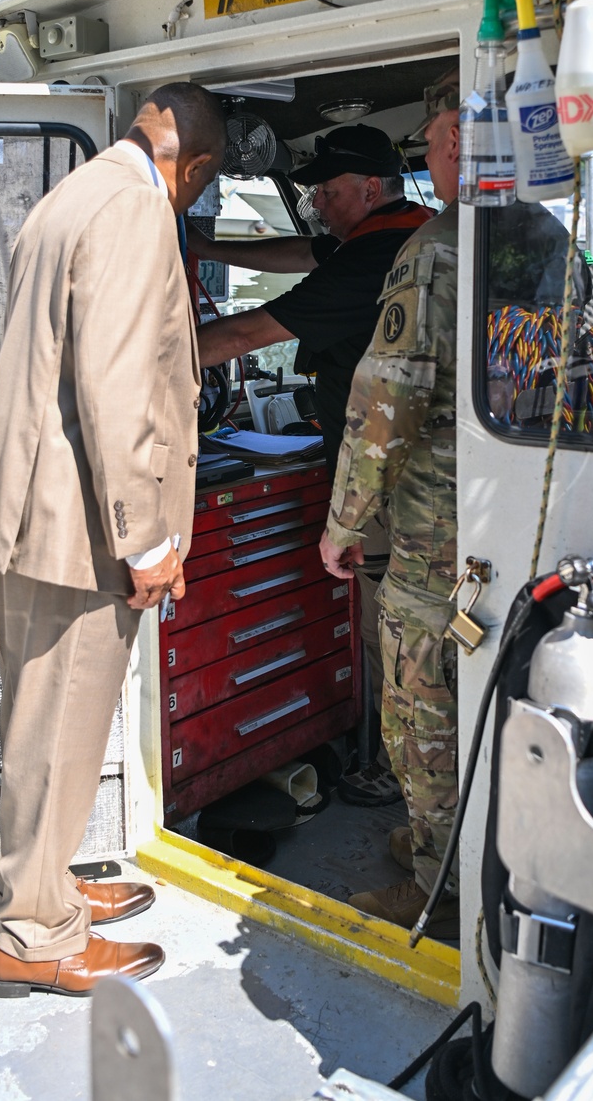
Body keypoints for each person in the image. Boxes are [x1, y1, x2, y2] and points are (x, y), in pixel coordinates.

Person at [0, 83, 226, 997]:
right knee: (61, 725)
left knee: (40, 717)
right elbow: (115, 385)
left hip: (31, 509)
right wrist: (147, 543)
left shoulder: (65, 197)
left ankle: (39, 885)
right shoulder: (139, 207)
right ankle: (34, 934)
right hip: (81, 527)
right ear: (200, 168)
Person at [192, 123, 435, 807]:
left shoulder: (371, 260)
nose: (318, 205)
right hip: (408, 469)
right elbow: (304, 250)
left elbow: (244, 333)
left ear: (368, 188)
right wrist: (207, 246)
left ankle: (402, 771)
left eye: (326, 192)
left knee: (388, 633)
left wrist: (150, 351)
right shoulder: (403, 235)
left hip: (388, 486)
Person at [319, 69, 463, 936]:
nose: (437, 158)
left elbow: (389, 403)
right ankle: (446, 853)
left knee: (420, 710)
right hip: (507, 525)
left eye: (437, 140)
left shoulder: (435, 249)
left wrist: (343, 522)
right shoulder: (552, 236)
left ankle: (435, 884)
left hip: (431, 537)